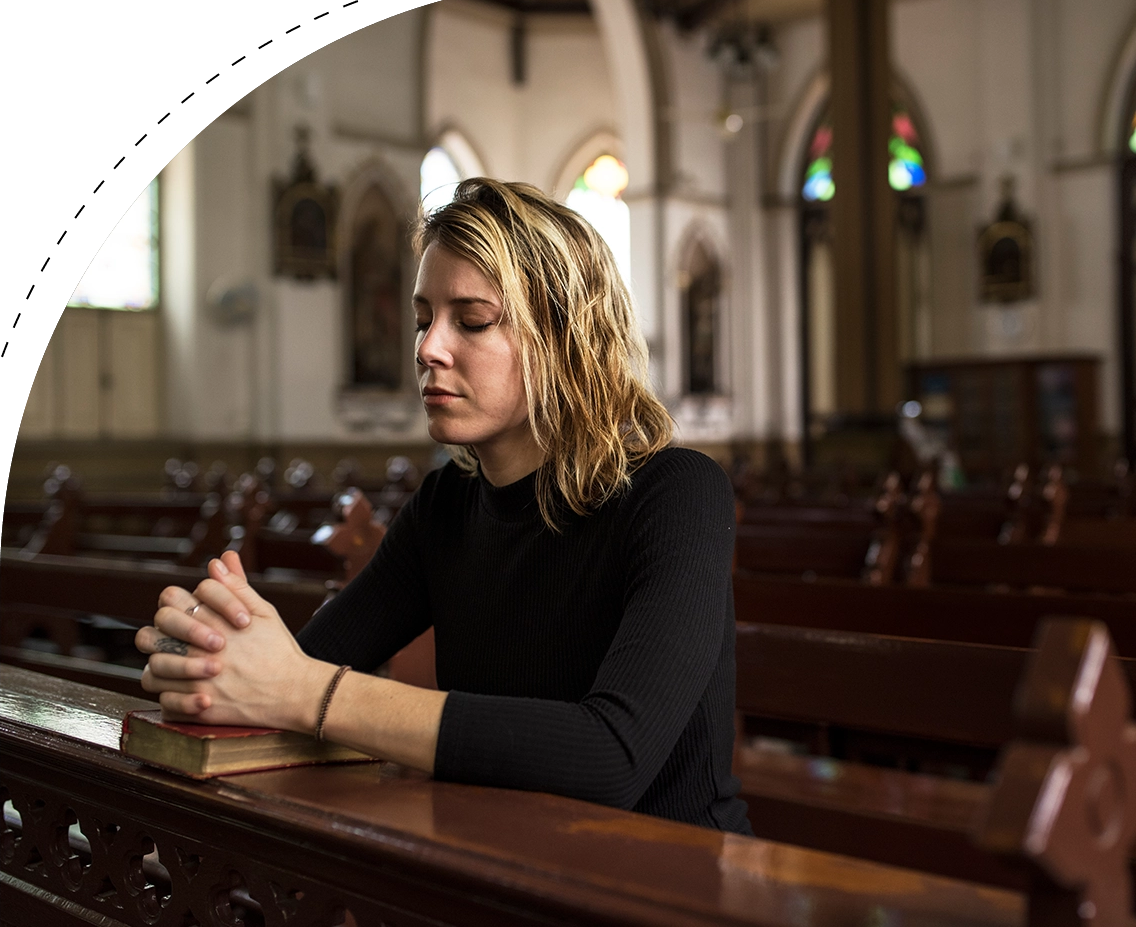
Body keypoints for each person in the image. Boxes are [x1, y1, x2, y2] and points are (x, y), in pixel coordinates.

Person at [136, 178, 751, 835]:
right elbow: (294, 670)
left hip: (669, 878)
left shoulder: (678, 493)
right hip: (504, 862)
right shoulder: (445, 506)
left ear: (565, 336)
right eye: (424, 317)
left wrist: (306, 692)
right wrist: (208, 651)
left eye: (473, 320)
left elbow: (610, 758)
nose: (428, 348)